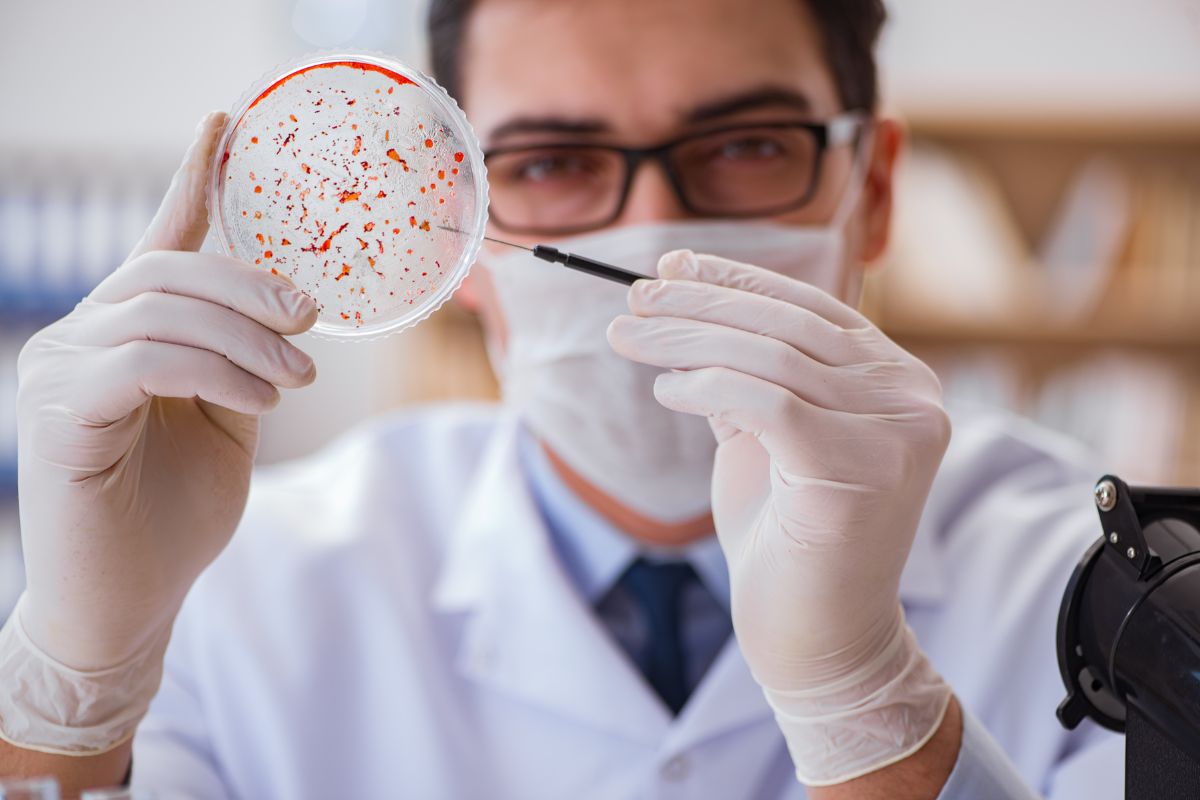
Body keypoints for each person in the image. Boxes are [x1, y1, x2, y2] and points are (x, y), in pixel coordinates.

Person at [0, 0, 1124, 796]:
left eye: (745, 144)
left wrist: (866, 705)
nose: (655, 229)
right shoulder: (244, 592)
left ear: (873, 190)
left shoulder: (1105, 578)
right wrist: (72, 682)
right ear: (457, 241)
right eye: (545, 162)